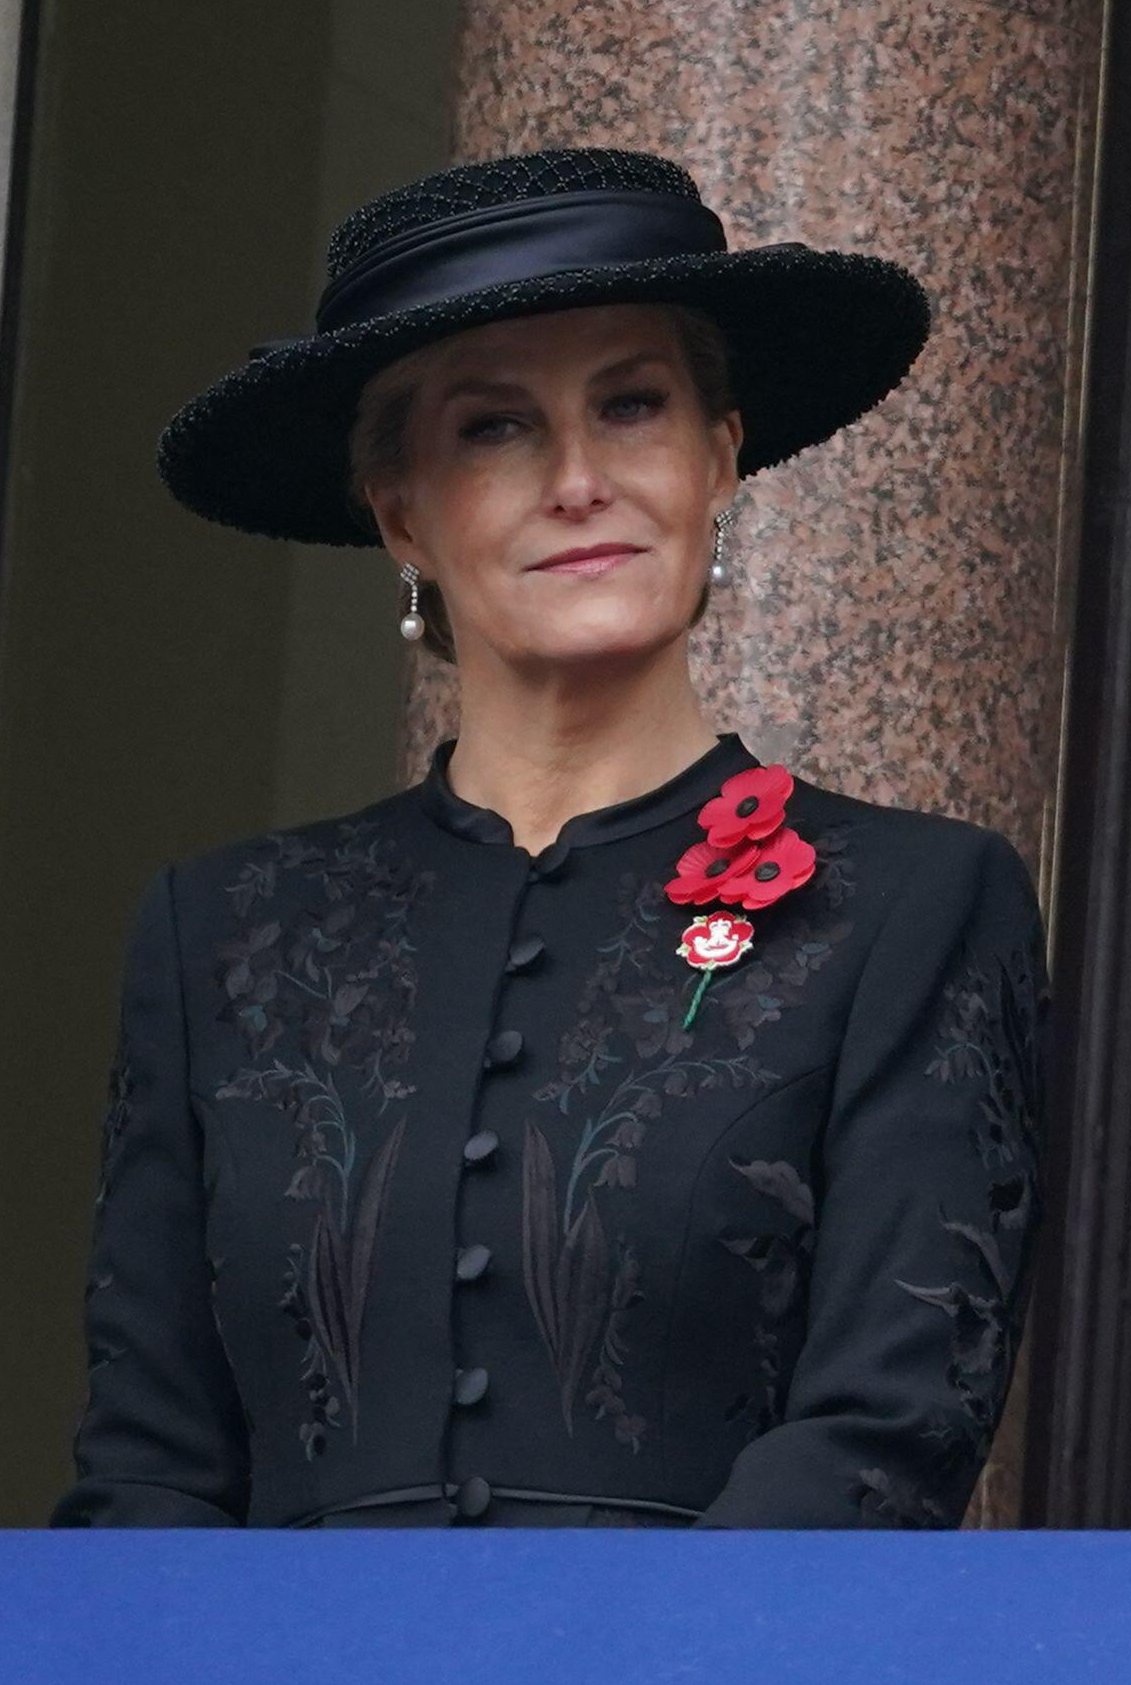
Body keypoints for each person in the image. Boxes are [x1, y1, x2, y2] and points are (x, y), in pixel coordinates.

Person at [49, 146, 1050, 1530]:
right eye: (493, 426)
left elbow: (879, 1439)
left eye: (631, 404)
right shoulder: (216, 931)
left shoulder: (916, 902)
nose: (578, 478)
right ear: (402, 510)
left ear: (717, 455)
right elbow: (146, 1472)